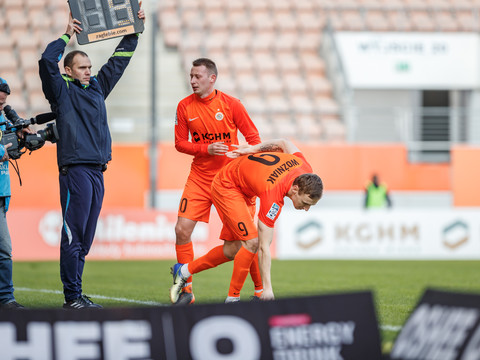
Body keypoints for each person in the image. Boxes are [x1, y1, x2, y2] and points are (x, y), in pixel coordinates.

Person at [38, 5, 145, 309]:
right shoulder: (62, 91)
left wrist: (134, 30)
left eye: (89, 65)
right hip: (76, 170)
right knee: (74, 235)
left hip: (98, 171)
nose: (88, 69)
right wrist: (66, 35)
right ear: (69, 70)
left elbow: (119, 61)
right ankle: (71, 298)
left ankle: (77, 293)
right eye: (82, 66)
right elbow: (47, 61)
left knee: (85, 238)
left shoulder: (97, 87)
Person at [170, 139, 323, 303]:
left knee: (231, 250)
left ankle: (184, 271)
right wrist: (268, 289)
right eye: (306, 203)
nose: (306, 209)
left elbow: (284, 143)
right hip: (227, 185)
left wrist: (252, 149)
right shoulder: (273, 195)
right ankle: (233, 300)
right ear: (295, 189)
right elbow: (264, 247)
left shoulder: (304, 168)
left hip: (245, 187)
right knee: (252, 242)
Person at [172, 58, 263, 305]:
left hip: (230, 183)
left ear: (212, 78)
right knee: (181, 229)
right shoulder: (184, 107)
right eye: (191, 76)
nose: (192, 81)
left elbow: (254, 138)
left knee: (246, 240)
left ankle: (259, 292)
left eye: (197, 77)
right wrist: (206, 149)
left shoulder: (232, 105)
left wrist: (242, 153)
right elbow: (180, 143)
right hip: (200, 178)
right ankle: (186, 291)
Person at [0, 78, 31, 309]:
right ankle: (6, 298)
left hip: (2, 192)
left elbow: (9, 146)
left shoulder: (4, 118)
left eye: (3, 103)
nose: (2, 106)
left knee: (3, 249)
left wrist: (20, 136)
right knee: (4, 249)